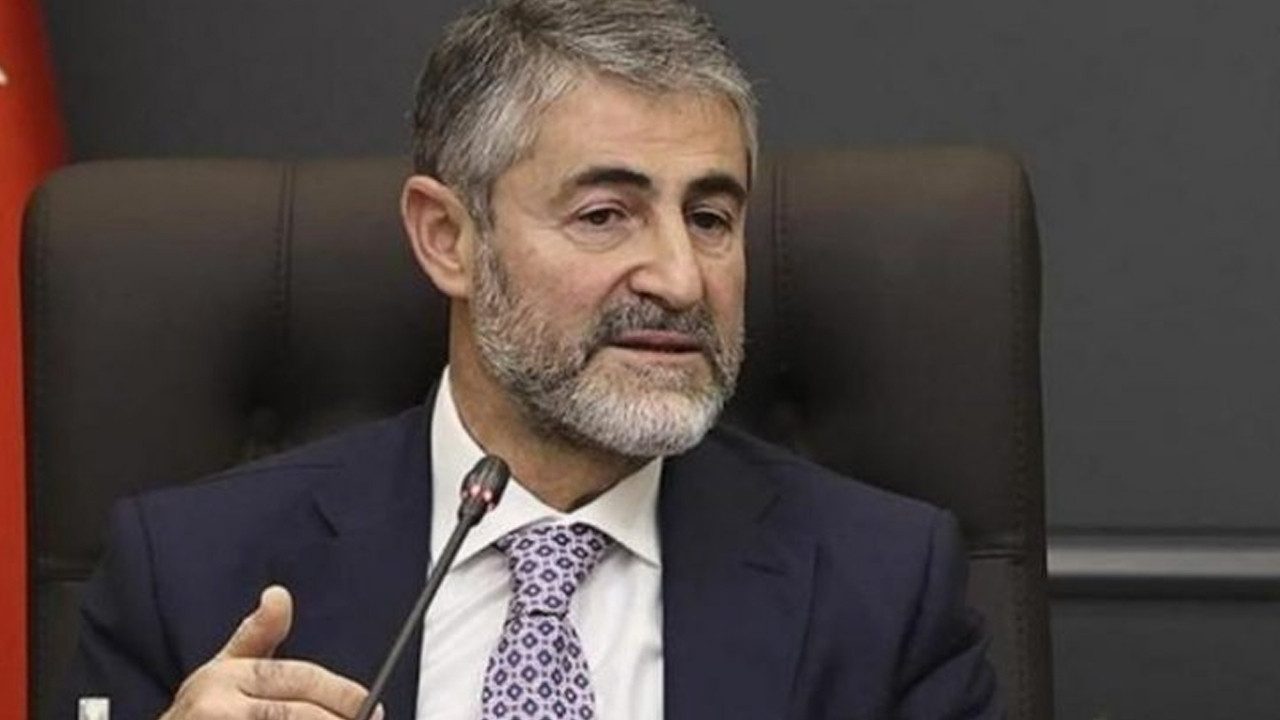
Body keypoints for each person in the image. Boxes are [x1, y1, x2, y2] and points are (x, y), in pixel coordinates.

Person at [65, 1, 1003, 719]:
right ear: (448, 239)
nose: (681, 277)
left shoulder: (884, 589)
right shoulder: (188, 575)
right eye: (605, 215)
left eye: (711, 218)